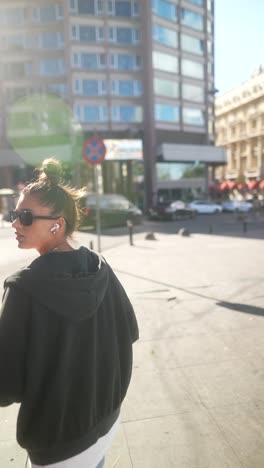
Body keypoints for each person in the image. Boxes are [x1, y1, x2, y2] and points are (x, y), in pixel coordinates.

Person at [0, 158, 139, 468]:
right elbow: (129, 331)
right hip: (105, 422)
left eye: (25, 217)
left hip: (58, 444)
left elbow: (5, 385)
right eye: (14, 215)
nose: (15, 224)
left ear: (57, 223)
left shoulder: (23, 288)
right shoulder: (100, 267)